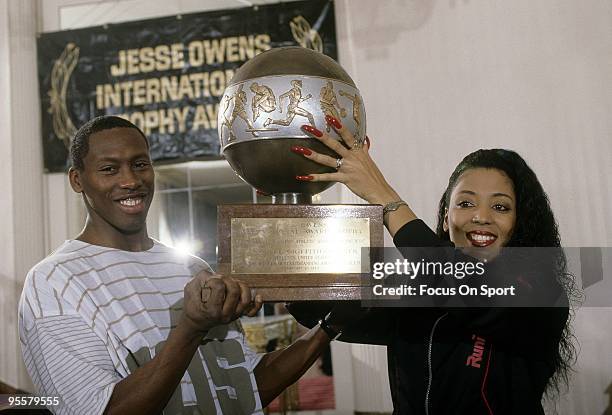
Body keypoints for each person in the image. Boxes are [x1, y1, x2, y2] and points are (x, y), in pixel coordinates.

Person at [18, 115, 343, 415]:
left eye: (140, 164)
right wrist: (190, 327)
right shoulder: (53, 282)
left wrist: (329, 326)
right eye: (109, 169)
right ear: (78, 180)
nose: (131, 180)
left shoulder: (191, 268)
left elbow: (242, 388)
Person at [289, 115, 576, 414]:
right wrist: (282, 237)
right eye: (465, 203)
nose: (481, 216)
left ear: (521, 222)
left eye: (500, 206)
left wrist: (383, 196)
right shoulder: (414, 286)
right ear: (444, 218)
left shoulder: (543, 292)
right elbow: (317, 309)